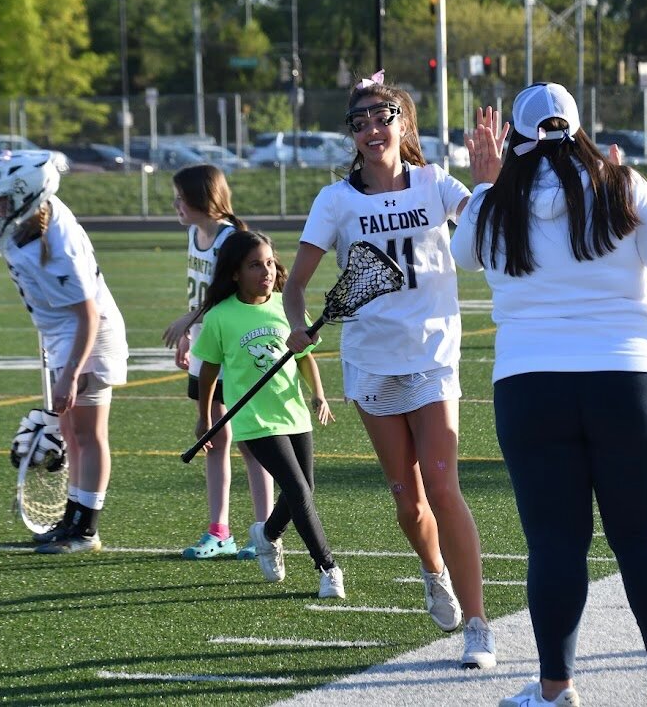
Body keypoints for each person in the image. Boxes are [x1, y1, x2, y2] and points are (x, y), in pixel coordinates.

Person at [451, 82, 647, 707]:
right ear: (578, 128)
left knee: (554, 542)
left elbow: (461, 253)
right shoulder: (622, 185)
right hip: (631, 381)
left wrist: (487, 179)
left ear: (516, 138)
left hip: (529, 388)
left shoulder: (495, 205)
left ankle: (556, 690)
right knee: (646, 537)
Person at [283, 70, 506, 669]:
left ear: (402, 122)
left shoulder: (435, 183)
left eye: (381, 117)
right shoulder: (336, 200)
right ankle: (434, 573)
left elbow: (488, 225)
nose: (371, 129)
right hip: (371, 362)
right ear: (351, 135)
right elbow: (296, 285)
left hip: (432, 356)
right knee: (407, 500)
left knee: (442, 484)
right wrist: (300, 330)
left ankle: (478, 625)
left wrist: (493, 180)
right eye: (359, 123)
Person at [0, 149, 128, 554]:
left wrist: (71, 373)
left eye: (2, 198)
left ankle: (85, 528)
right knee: (73, 435)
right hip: (64, 335)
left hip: (89, 337)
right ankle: (73, 518)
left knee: (89, 434)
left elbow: (88, 316)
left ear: (27, 195)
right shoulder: (28, 222)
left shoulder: (60, 244)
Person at [191, 230, 343, 598]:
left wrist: (318, 395)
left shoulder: (285, 307)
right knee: (296, 489)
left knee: (303, 490)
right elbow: (208, 370)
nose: (267, 271)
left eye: (270, 262)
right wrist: (205, 418)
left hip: (293, 413)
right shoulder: (221, 317)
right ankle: (328, 567)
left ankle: (268, 533)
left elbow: (304, 358)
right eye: (255, 265)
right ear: (235, 273)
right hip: (254, 420)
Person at [161, 165, 274, 561]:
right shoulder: (196, 233)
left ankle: (265, 532)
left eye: (180, 197)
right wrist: (191, 336)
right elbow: (199, 291)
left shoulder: (232, 237)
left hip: (235, 350)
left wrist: (188, 321)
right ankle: (219, 530)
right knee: (213, 440)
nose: (175, 204)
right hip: (208, 346)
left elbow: (226, 294)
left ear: (202, 197)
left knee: (250, 444)